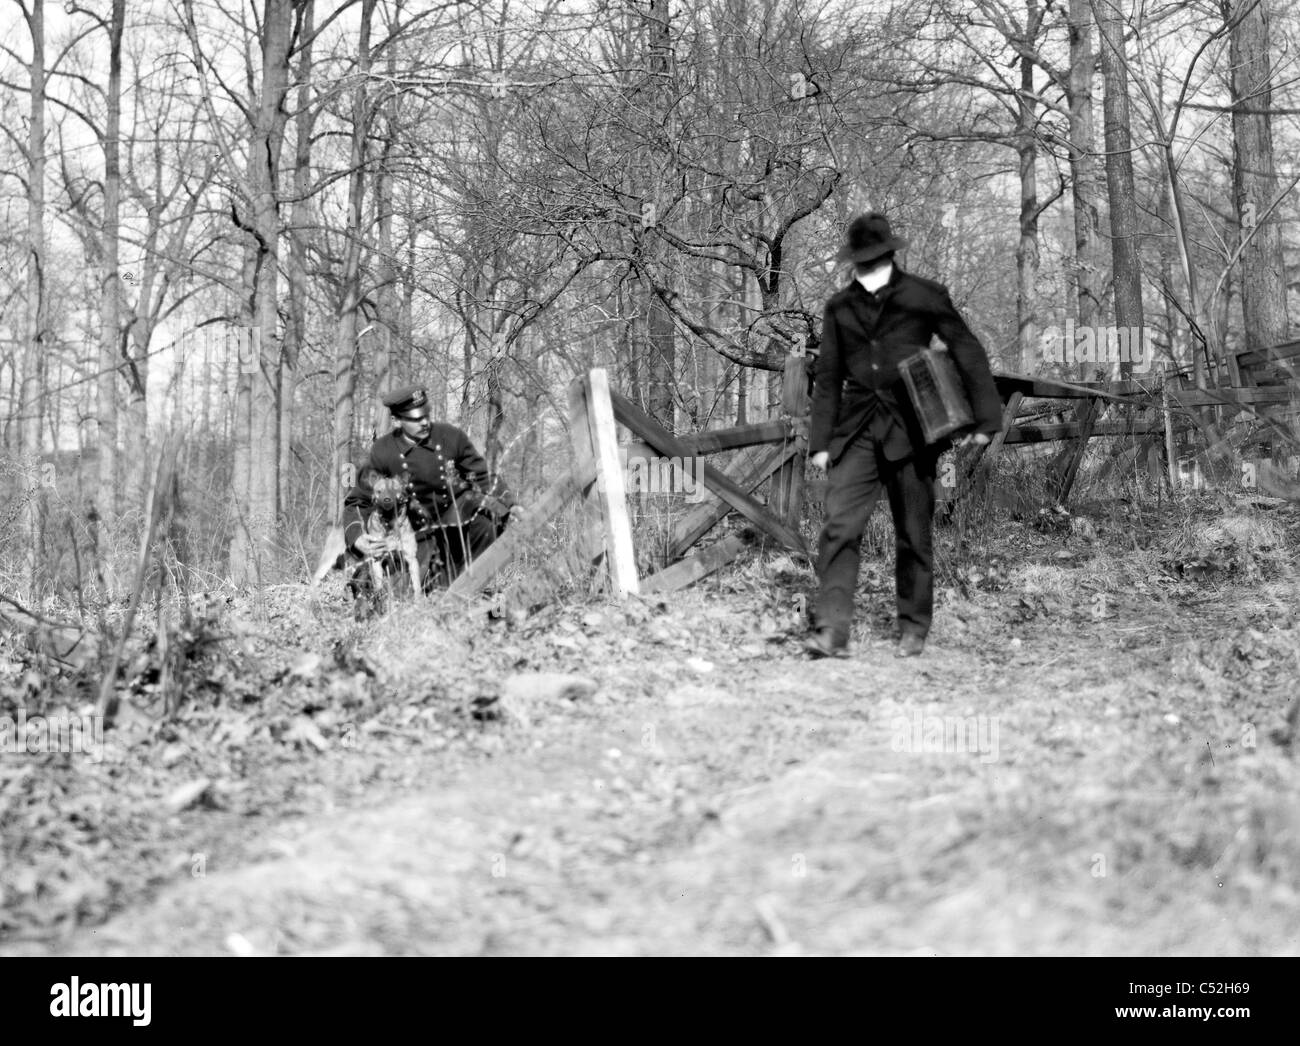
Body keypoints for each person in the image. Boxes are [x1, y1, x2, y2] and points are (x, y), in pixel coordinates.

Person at [804, 212, 1003, 659]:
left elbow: (966, 348)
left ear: (890, 255)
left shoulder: (924, 296)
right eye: (860, 263)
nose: (866, 270)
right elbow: (830, 373)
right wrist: (820, 442)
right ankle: (831, 631)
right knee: (839, 527)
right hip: (854, 431)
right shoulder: (839, 307)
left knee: (913, 532)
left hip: (915, 429)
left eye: (874, 261)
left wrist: (986, 418)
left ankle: (913, 626)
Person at [342, 385, 525, 590]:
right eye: (415, 418)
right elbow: (357, 501)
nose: (424, 422)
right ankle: (365, 581)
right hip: (411, 535)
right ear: (397, 421)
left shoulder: (450, 437)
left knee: (487, 519)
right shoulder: (383, 451)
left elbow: (481, 476)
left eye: (425, 414)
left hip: (449, 528)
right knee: (399, 594)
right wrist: (357, 537)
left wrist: (510, 504)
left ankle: (466, 585)